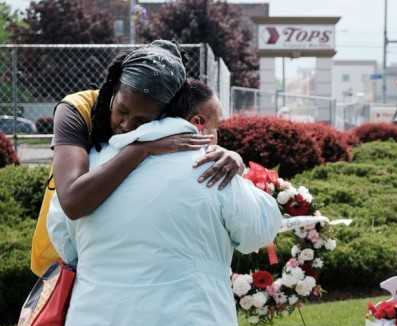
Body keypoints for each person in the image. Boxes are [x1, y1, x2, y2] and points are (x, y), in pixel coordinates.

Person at [47, 80, 283, 326]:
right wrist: (238, 167)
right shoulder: (215, 168)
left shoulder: (89, 169)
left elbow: (63, 243)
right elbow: (259, 232)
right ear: (195, 121)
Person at [31, 40, 244, 276]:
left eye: (142, 121)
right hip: (62, 261)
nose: (126, 125)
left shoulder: (167, 126)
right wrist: (140, 150)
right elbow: (73, 201)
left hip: (121, 262)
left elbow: (200, 147)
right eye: (122, 110)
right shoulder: (76, 110)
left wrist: (231, 157)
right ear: (113, 87)